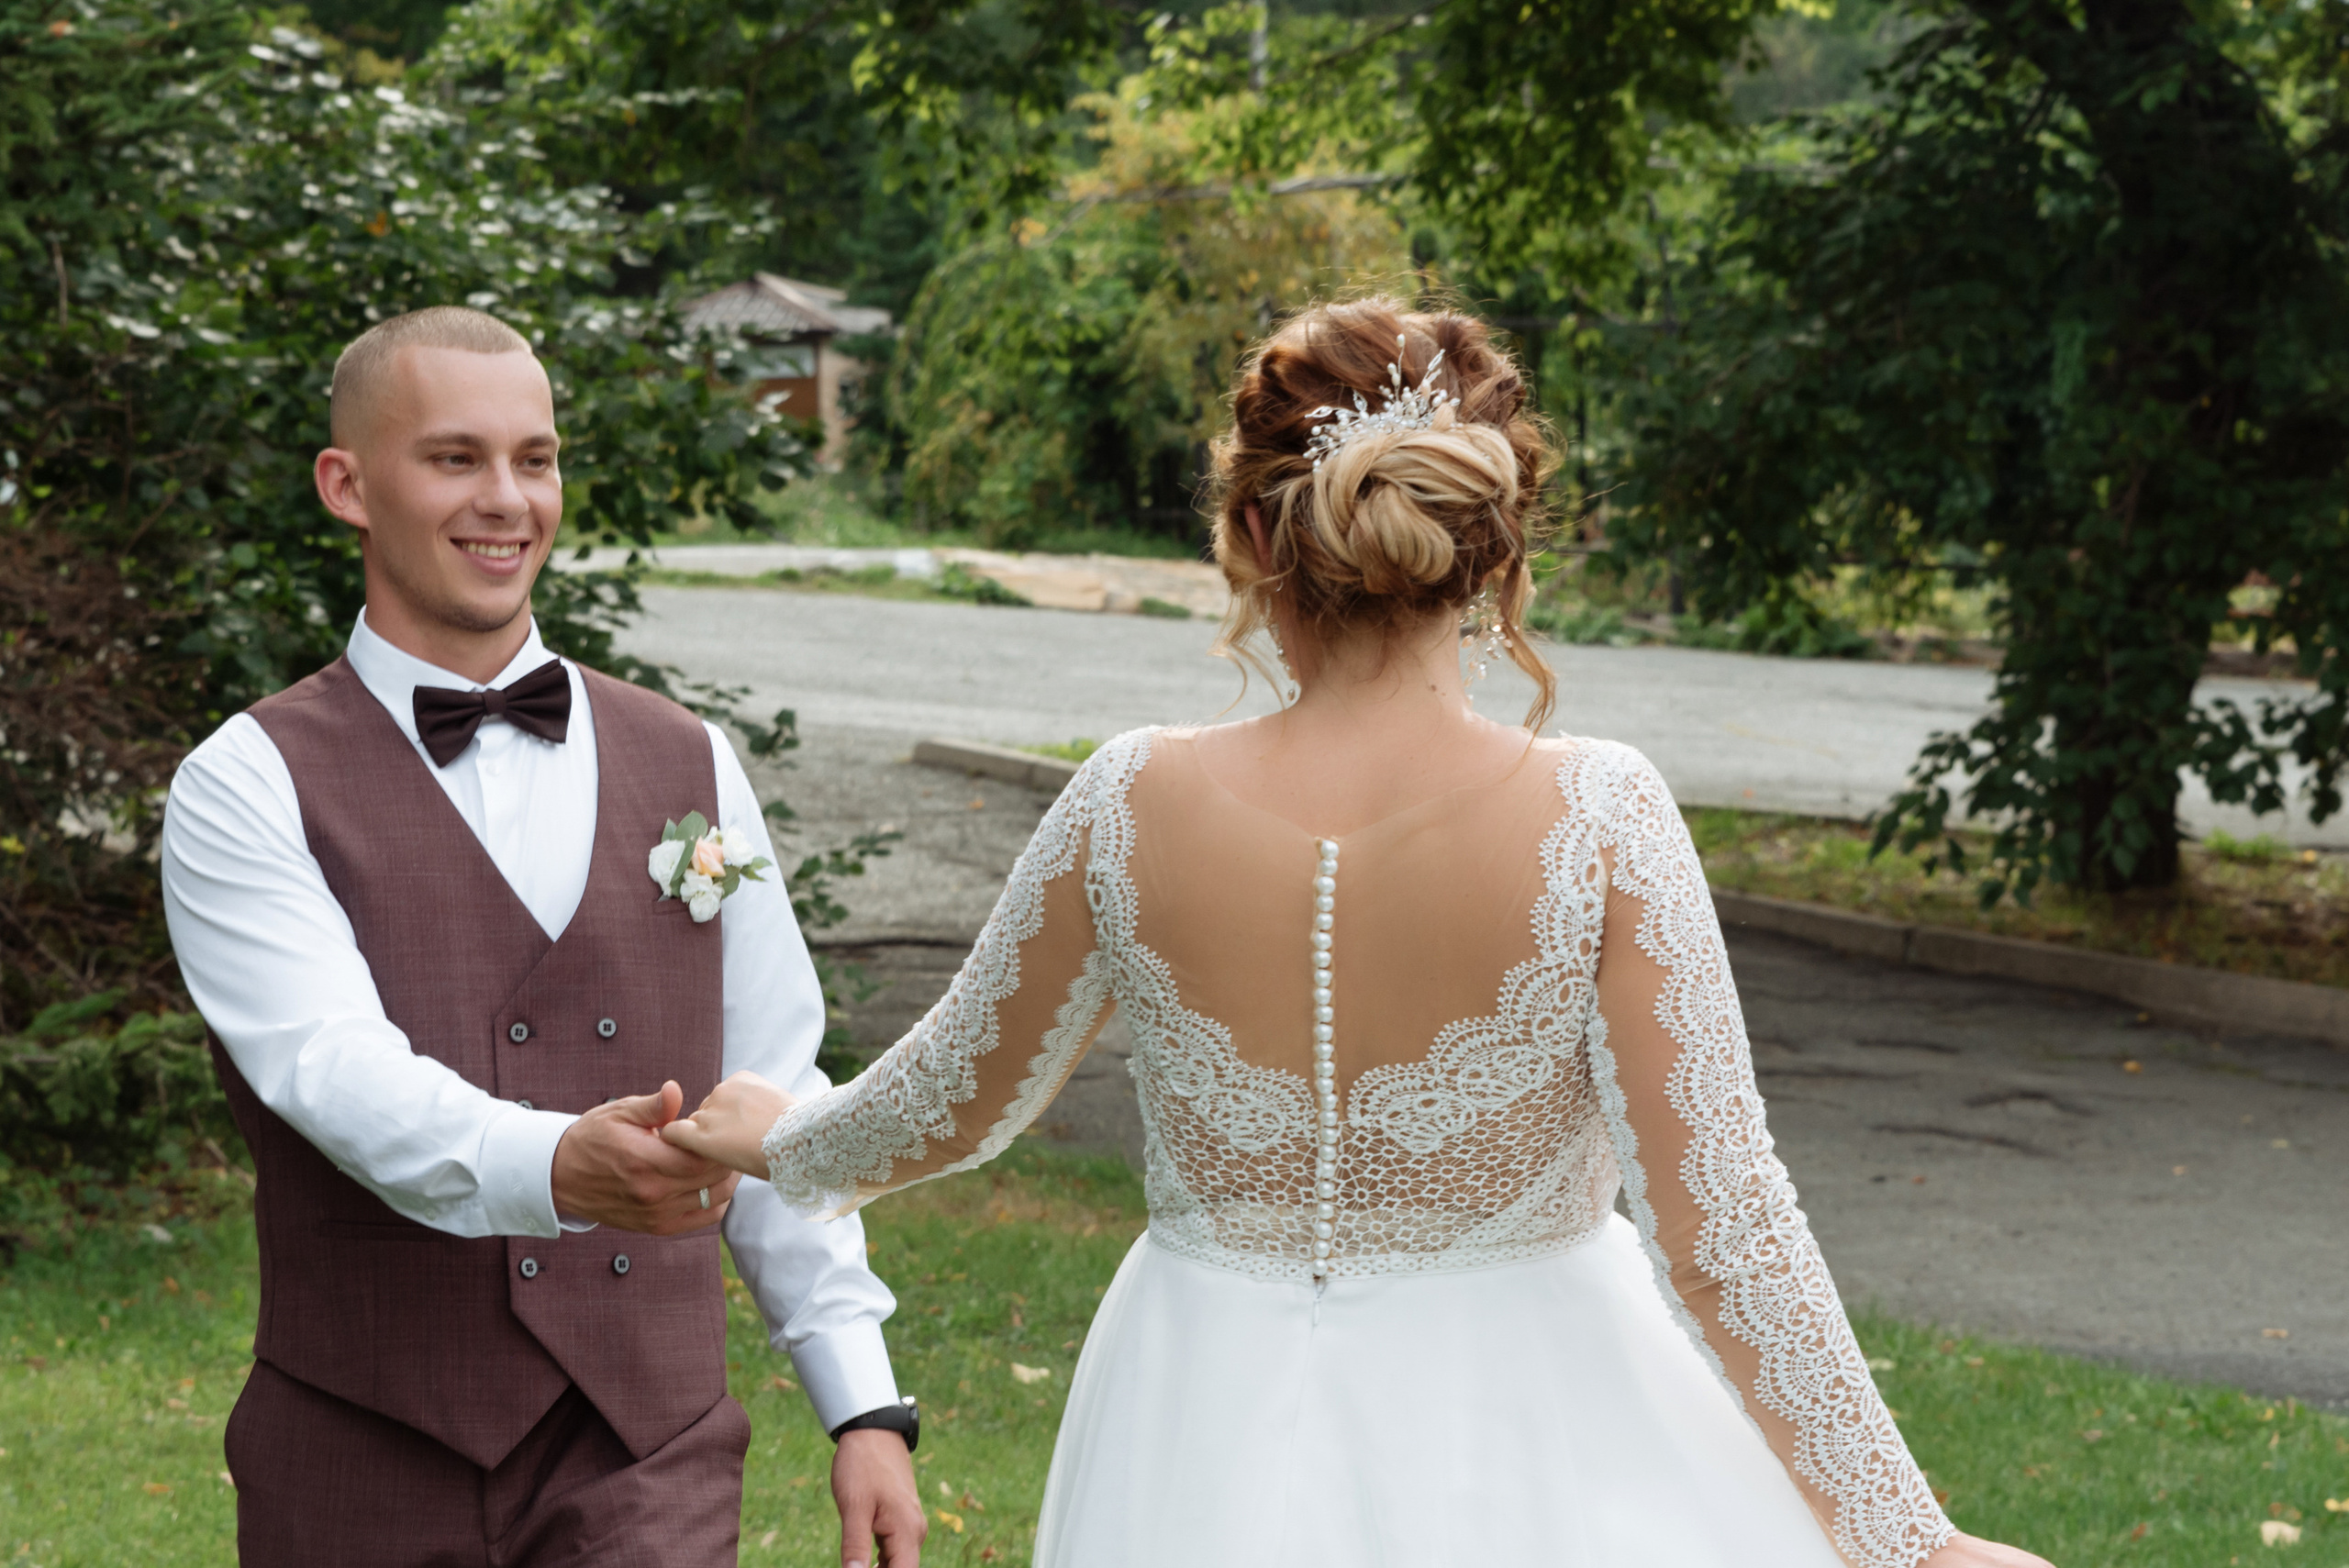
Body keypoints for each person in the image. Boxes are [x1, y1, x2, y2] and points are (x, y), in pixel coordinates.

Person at [661, 298, 2056, 1568]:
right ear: (1486, 542)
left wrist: (776, 1137)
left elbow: (952, 1103)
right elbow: (1724, 1227)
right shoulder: (1602, 811)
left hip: (1193, 1414)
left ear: (1255, 537)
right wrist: (1908, 1538)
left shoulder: (1127, 800)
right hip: (1542, 1415)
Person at [160, 306, 926, 1567]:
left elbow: (778, 1092)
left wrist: (862, 1398)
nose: (508, 499)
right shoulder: (245, 781)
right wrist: (561, 1165)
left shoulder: (690, 761)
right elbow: (332, 1073)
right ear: (347, 485)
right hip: (361, 1443)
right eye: (455, 458)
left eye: (538, 457)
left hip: (650, 1449)